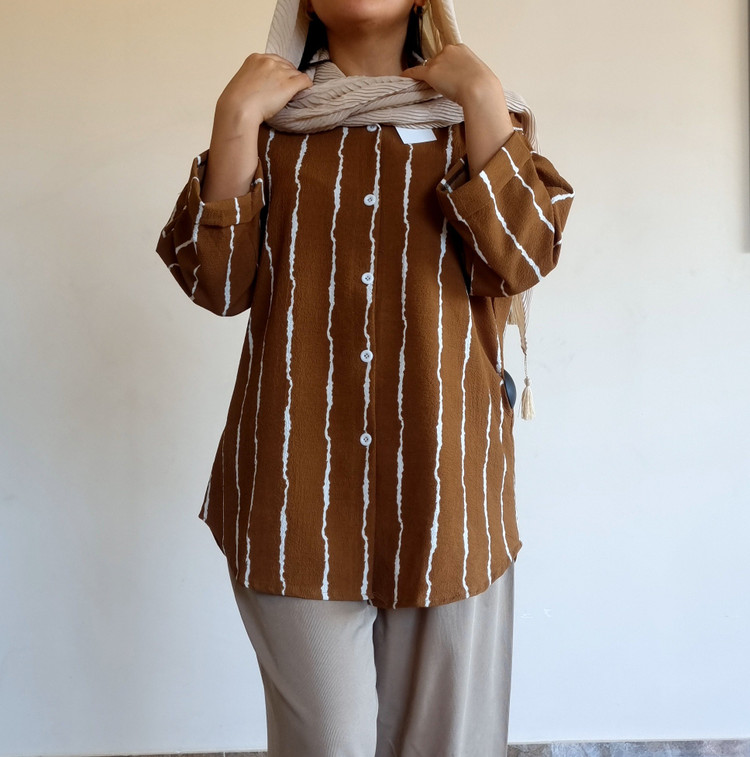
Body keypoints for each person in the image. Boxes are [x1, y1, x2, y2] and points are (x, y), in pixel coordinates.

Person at [155, 0, 575, 754]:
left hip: (449, 496)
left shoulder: (473, 117)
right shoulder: (271, 123)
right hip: (295, 497)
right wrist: (233, 120)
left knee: (449, 744)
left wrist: (481, 96)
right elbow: (215, 284)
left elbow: (523, 257)